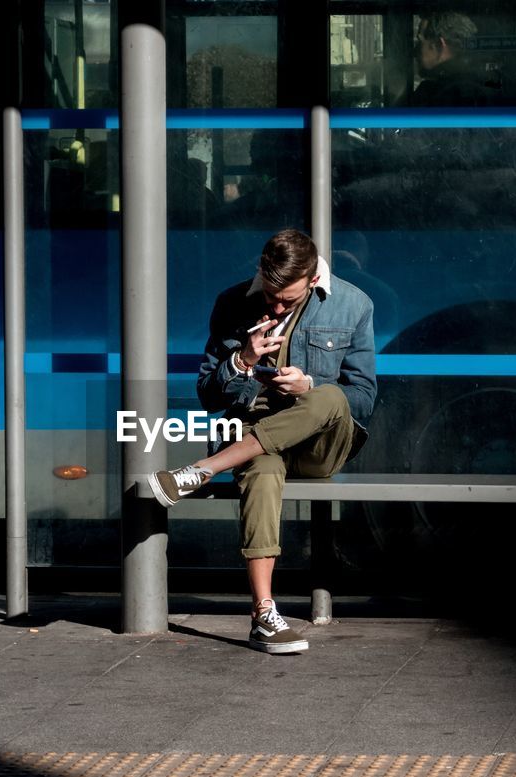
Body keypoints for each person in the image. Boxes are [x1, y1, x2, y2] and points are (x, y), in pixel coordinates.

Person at [148, 230, 376, 654]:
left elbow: (362, 399)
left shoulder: (353, 304)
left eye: (286, 300)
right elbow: (209, 396)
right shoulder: (232, 302)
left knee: (328, 395)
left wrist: (308, 385)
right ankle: (264, 616)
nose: (275, 305)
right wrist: (244, 359)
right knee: (262, 470)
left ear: (312, 281)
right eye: (270, 295)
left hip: (321, 443)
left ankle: (202, 469)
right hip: (256, 436)